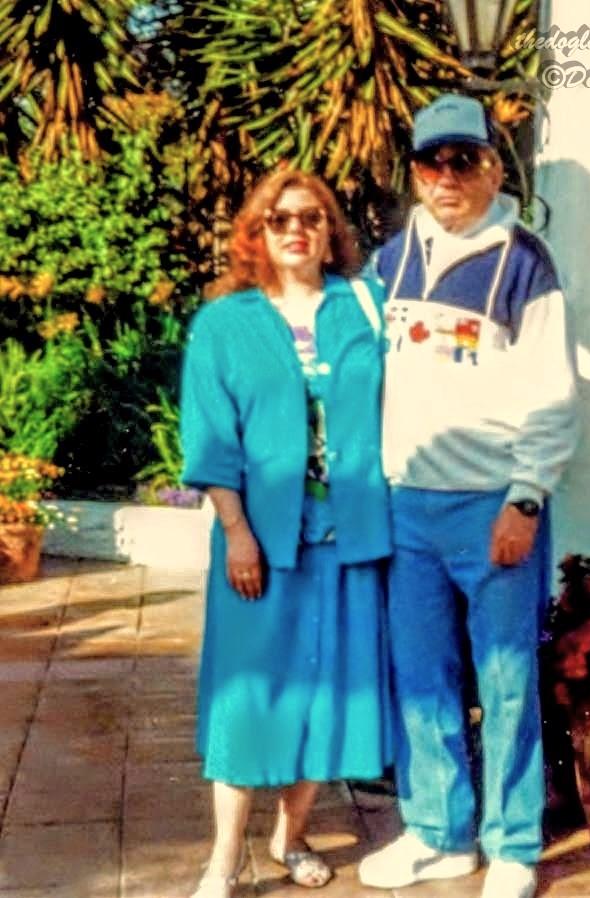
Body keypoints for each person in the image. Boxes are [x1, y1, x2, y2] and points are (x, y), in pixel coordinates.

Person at [358, 94, 579, 898]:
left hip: (492, 508)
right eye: (431, 162)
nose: (447, 177)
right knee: (422, 674)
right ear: (414, 174)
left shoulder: (526, 261)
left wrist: (525, 498)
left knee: (508, 676)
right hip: (407, 503)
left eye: (463, 160)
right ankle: (438, 836)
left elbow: (553, 395)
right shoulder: (387, 264)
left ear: (492, 165)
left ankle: (514, 845)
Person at [180, 170, 392, 898]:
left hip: (352, 537)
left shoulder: (366, 310)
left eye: (311, 216)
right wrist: (236, 531)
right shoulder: (224, 322)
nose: (296, 229)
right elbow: (208, 440)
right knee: (250, 697)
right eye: (279, 219)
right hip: (260, 541)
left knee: (324, 693)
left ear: (331, 229)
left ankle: (290, 837)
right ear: (257, 234)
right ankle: (223, 858)